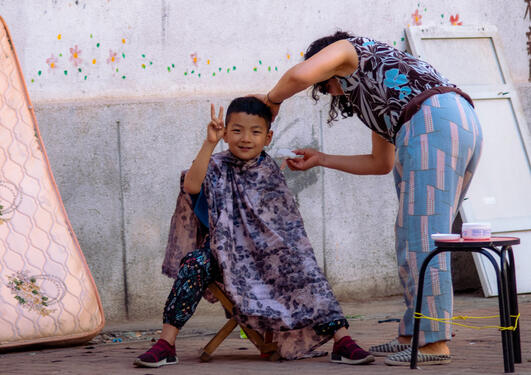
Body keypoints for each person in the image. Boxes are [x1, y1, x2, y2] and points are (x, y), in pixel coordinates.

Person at [254, 31, 483, 366]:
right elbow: (380, 164)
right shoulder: (379, 92)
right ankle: (412, 334)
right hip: (451, 122)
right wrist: (320, 158)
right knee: (411, 237)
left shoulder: (350, 50)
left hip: (433, 124)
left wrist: (271, 101)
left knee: (424, 240)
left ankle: (433, 343)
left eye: (325, 83)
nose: (328, 90)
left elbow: (298, 75)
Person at [134, 96, 375, 368]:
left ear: (268, 137)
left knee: (304, 266)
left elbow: (286, 227)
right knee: (193, 263)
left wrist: (282, 254)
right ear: (225, 133)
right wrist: (209, 143)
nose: (245, 138)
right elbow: (191, 186)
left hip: (268, 259)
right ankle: (166, 344)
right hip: (222, 254)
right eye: (236, 130)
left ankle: (342, 340)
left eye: (255, 131)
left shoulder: (269, 171)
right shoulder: (214, 165)